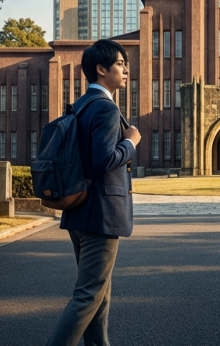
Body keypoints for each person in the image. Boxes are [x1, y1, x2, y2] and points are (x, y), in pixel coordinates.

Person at [47, 39, 141, 346]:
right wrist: (130, 143)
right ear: (101, 70)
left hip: (79, 210)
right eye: (119, 64)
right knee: (88, 295)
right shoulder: (105, 108)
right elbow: (103, 162)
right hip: (100, 214)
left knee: (99, 294)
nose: (126, 69)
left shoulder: (81, 104)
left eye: (125, 64)